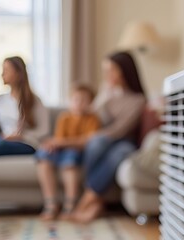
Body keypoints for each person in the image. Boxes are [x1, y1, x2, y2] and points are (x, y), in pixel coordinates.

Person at [71, 51, 146, 223]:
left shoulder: (137, 100)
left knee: (117, 151)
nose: (108, 75)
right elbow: (92, 115)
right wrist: (105, 96)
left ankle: (86, 201)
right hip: (104, 140)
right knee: (96, 143)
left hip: (124, 141)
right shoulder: (107, 93)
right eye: (106, 70)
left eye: (112, 70)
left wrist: (95, 135)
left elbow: (120, 130)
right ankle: (96, 202)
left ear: (125, 71)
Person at [36, 85, 100, 221]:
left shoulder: (93, 119)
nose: (79, 103)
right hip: (60, 151)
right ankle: (51, 204)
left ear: (91, 103)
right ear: (70, 101)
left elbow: (87, 141)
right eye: (76, 99)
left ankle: (69, 205)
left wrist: (62, 142)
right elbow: (58, 140)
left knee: (70, 160)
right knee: (43, 156)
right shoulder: (64, 117)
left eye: (84, 100)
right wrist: (54, 145)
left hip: (75, 153)